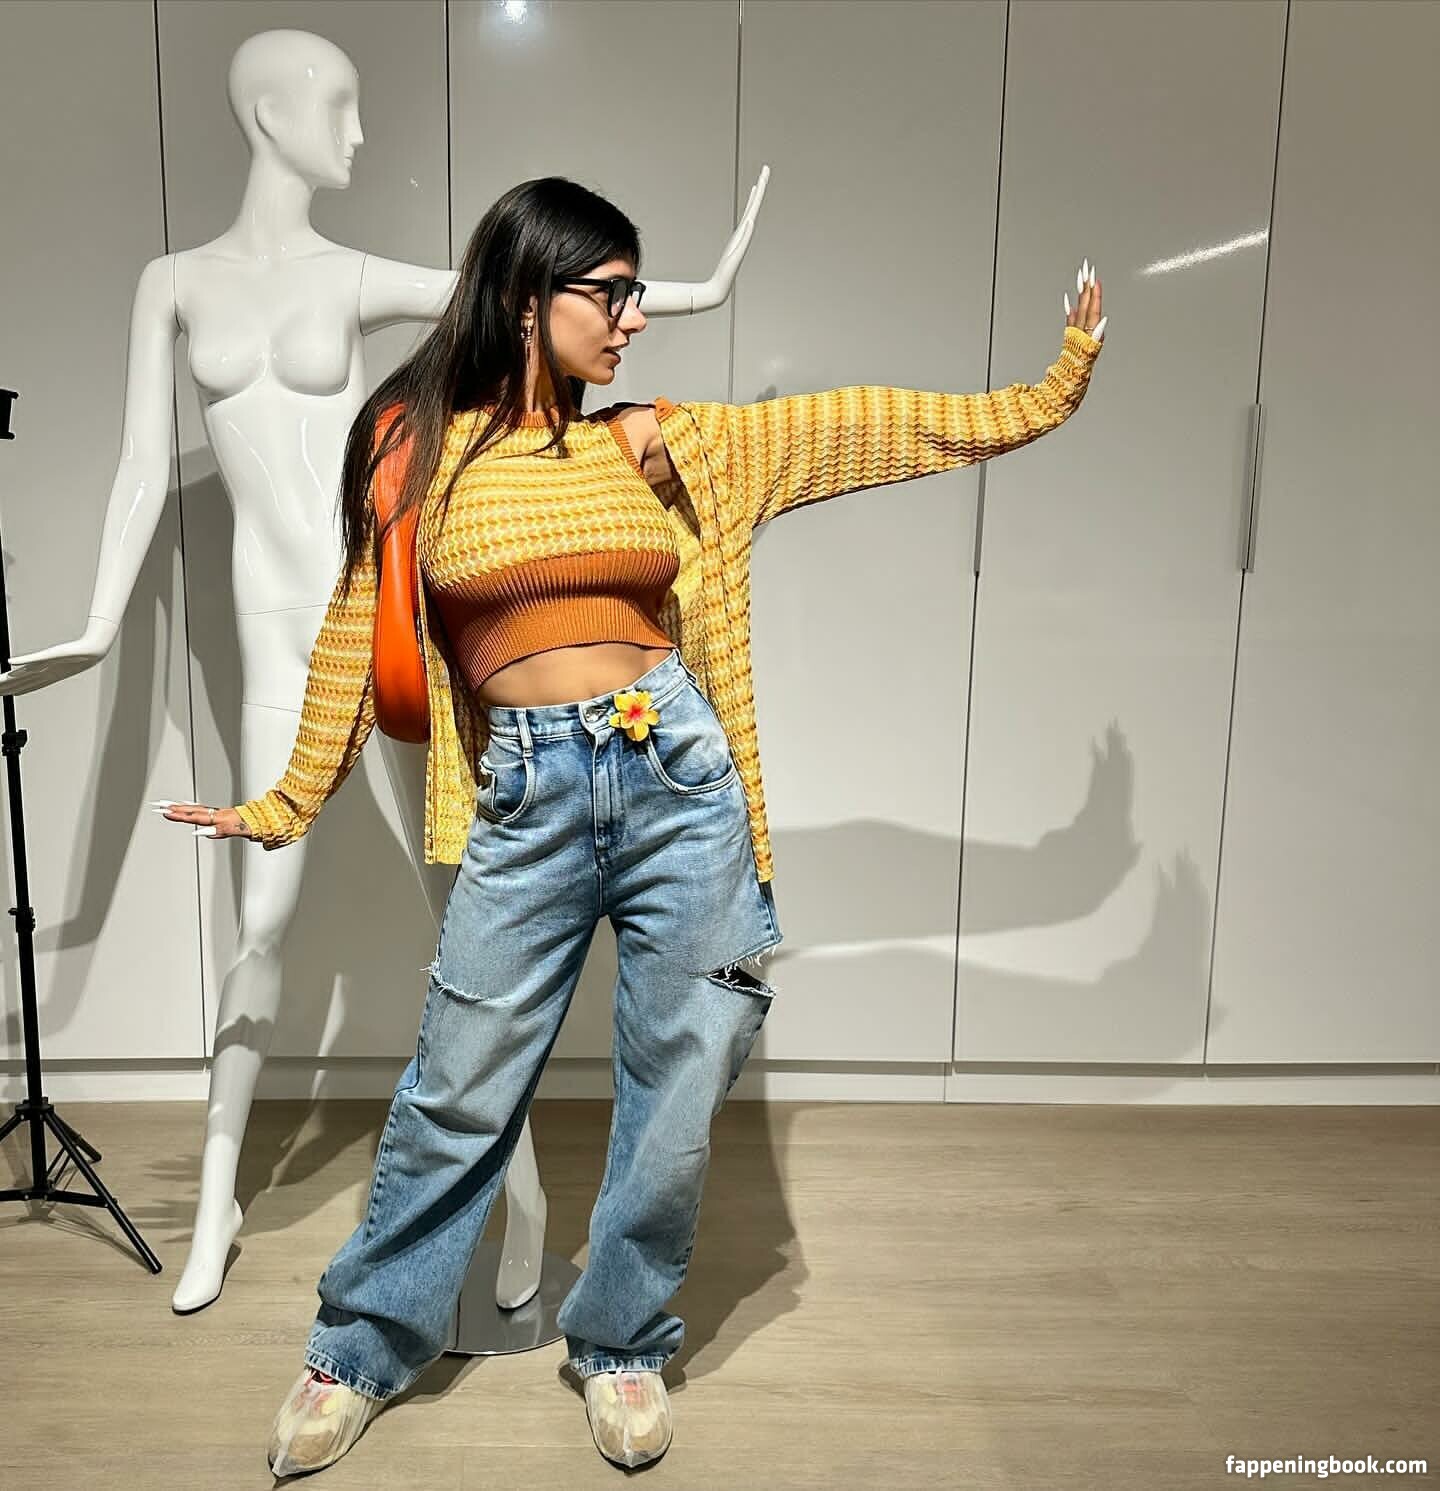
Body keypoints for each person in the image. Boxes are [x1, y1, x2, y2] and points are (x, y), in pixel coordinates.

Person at [158, 175, 1106, 1476]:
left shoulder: (658, 444)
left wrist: (1048, 392)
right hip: (527, 797)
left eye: (638, 294)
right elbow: (349, 640)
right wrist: (283, 803)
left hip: (678, 779)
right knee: (458, 1088)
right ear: (524, 294)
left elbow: (864, 427)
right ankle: (361, 1347)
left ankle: (619, 1343)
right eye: (612, 293)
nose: (636, 319)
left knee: (677, 1090)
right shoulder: (421, 455)